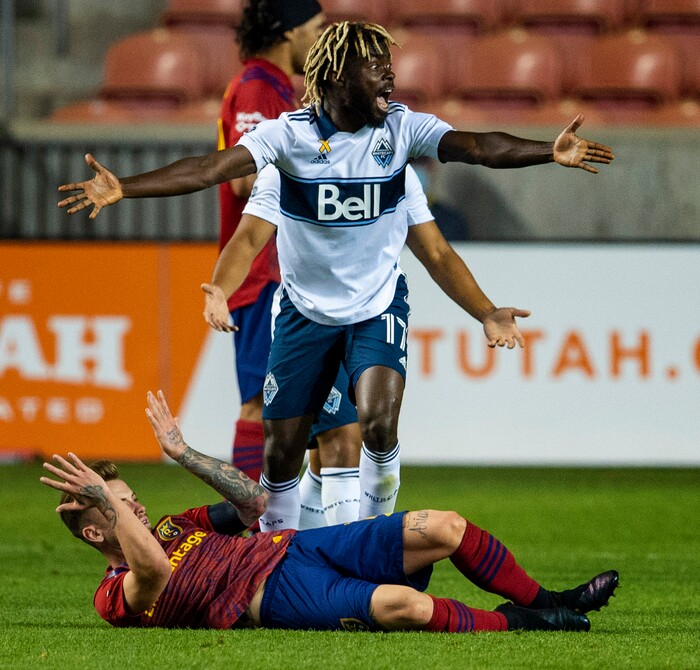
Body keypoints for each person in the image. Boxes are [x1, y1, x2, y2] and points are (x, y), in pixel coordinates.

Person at [57, 22, 615, 531]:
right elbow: (215, 179)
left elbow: (469, 157)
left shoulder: (398, 134)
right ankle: (276, 550)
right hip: (304, 314)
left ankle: (374, 541)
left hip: (376, 307)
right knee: (281, 455)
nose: (390, 74)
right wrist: (127, 189)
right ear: (338, 75)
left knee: (377, 422)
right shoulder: (288, 144)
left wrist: (546, 153)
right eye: (376, 65)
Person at [39, 390, 620, 633]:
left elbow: (253, 503)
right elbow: (156, 577)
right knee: (405, 606)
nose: (136, 504)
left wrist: (183, 453)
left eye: (130, 495)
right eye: (119, 504)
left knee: (446, 526)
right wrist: (116, 514)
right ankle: (524, 624)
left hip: (297, 548)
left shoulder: (174, 526)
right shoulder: (111, 595)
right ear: (96, 528)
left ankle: (548, 600)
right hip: (273, 599)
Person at [202, 161, 528, 532]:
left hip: (373, 312)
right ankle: (288, 560)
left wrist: (485, 311)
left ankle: (360, 549)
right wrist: (220, 289)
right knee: (301, 448)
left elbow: (436, 251)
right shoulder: (292, 158)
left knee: (356, 435)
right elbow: (244, 232)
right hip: (309, 317)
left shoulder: (393, 167)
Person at [217, 0, 362, 528]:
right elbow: (241, 176)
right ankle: (250, 535)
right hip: (264, 275)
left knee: (327, 422)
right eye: (317, 28)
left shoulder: (282, 90)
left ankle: (311, 540)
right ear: (289, 31)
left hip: (296, 275)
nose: (321, 38)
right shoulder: (257, 86)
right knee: (263, 407)